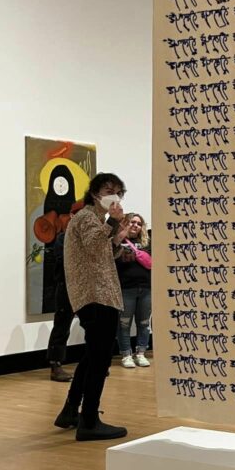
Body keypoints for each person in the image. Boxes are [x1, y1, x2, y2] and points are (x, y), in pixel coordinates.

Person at [53, 172, 129, 441]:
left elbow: (104, 253)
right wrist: (114, 223)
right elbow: (96, 245)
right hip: (95, 295)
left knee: (92, 355)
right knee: (99, 359)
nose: (114, 196)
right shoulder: (87, 217)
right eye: (109, 189)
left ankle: (71, 410)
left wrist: (116, 238)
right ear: (95, 192)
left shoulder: (95, 219)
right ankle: (89, 419)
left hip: (99, 294)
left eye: (119, 191)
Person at [115, 212, 152, 368]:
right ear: (125, 223)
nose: (135, 225)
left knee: (144, 323)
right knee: (124, 324)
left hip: (145, 288)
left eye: (138, 223)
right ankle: (126, 354)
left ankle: (141, 353)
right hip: (125, 288)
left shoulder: (146, 243)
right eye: (132, 222)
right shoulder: (117, 242)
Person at [46, 229, 75, 381]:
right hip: (67, 285)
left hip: (86, 286)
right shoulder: (63, 238)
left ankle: (93, 362)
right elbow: (64, 259)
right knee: (62, 325)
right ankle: (55, 365)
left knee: (92, 326)